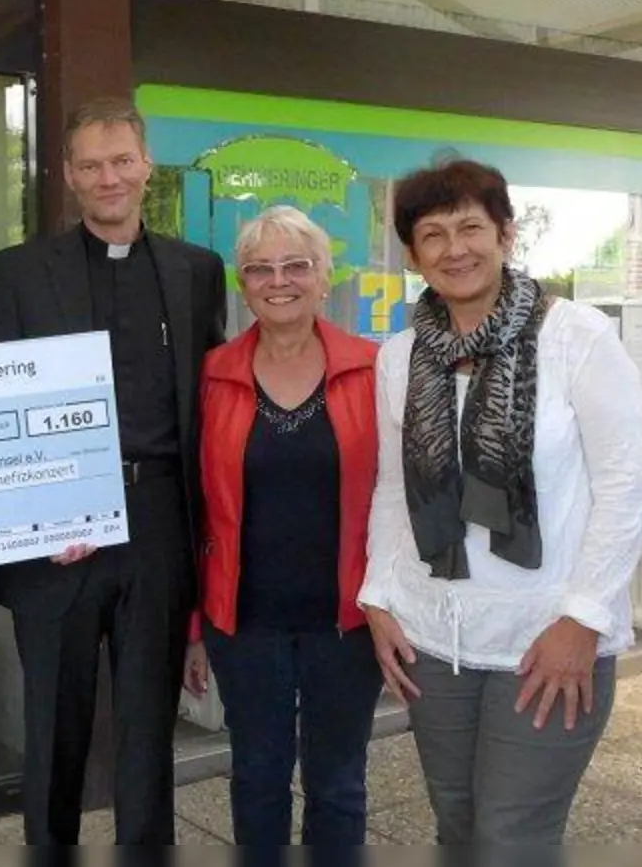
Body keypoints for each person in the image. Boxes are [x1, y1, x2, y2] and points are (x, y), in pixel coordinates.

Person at [358, 158, 642, 845]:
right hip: (436, 637)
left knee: (513, 836)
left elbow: (626, 483)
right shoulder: (400, 357)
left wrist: (582, 619)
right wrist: (377, 595)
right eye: (433, 234)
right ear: (413, 253)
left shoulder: (575, 338)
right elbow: (393, 486)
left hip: (547, 634)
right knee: (457, 827)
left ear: (506, 234)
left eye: (471, 227)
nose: (455, 248)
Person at [0, 96, 227, 846]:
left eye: (122, 160)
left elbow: (206, 402)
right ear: (69, 176)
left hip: (156, 520)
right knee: (54, 721)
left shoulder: (198, 270)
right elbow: (1, 404)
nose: (108, 177)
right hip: (59, 526)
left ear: (146, 166)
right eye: (91, 165)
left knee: (148, 725)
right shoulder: (18, 272)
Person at [182, 205, 383, 852]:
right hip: (246, 626)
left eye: (297, 265)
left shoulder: (374, 370)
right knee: (258, 779)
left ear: (325, 278)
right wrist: (192, 629)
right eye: (259, 268)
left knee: (338, 785)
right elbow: (194, 510)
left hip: (346, 625)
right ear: (243, 285)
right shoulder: (213, 376)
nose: (279, 280)